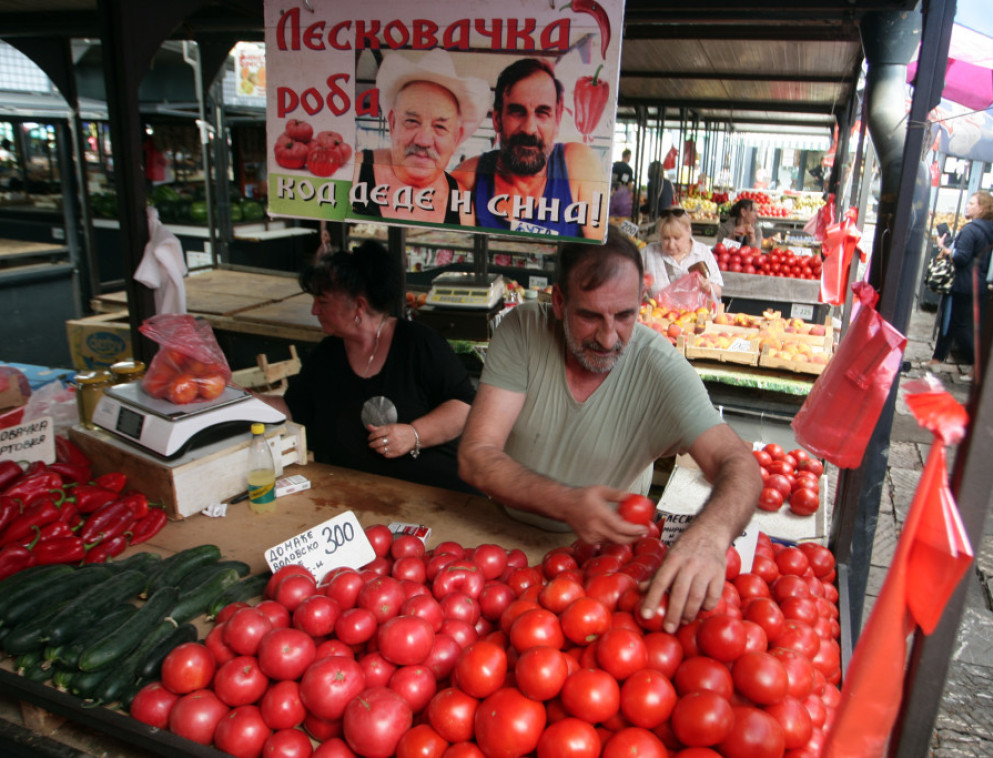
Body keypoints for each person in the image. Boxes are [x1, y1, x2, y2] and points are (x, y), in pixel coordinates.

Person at [458, 227, 761, 632]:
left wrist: (709, 536)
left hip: (604, 567)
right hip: (502, 541)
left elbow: (738, 462)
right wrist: (565, 501)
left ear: (641, 302)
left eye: (624, 316)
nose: (607, 337)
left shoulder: (660, 370)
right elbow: (476, 455)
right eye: (589, 316)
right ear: (559, 302)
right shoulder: (524, 331)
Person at [260, 241, 477, 493]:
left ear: (359, 306)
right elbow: (293, 408)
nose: (314, 310)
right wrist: (239, 397)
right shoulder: (326, 355)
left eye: (323, 302)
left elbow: (464, 406)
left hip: (436, 494)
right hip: (358, 495)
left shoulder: (417, 344)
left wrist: (414, 434)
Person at [455, 58, 605, 239]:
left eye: (542, 113)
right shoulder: (469, 178)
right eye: (517, 112)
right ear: (497, 120)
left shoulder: (578, 164)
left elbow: (597, 250)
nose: (529, 128)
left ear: (557, 121)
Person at [350, 49, 489, 225]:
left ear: (456, 138)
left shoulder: (461, 207)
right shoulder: (352, 172)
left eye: (440, 127)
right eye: (412, 121)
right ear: (393, 124)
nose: (423, 141)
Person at [928, 191, 993, 371]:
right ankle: (938, 358)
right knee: (961, 324)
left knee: (957, 325)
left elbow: (961, 257)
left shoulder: (970, 229)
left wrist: (944, 248)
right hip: (980, 283)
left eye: (972, 203)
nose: (967, 206)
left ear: (982, 209)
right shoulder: (992, 230)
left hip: (963, 283)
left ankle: (977, 365)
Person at [642, 207, 723, 300]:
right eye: (666, 238)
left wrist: (708, 287)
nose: (671, 244)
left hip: (697, 309)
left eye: (676, 238)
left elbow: (718, 292)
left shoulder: (702, 253)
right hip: (658, 309)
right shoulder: (648, 253)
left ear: (688, 230)